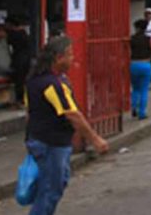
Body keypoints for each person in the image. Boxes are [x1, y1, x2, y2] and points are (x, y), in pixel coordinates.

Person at [23, 37, 109, 215]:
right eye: (69, 55)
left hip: (41, 138)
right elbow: (72, 114)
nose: (73, 59)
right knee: (50, 191)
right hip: (51, 143)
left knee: (53, 185)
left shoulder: (34, 80)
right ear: (58, 58)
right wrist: (95, 139)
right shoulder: (52, 84)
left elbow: (29, 112)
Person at [129, 19, 151, 120]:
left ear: (137, 28)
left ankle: (134, 107)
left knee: (135, 88)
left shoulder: (131, 39)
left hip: (134, 65)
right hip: (146, 64)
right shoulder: (149, 39)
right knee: (144, 90)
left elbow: (128, 52)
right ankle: (142, 112)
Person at [4, 16, 33, 107]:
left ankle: (19, 100)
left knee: (19, 80)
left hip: (19, 60)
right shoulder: (23, 32)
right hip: (26, 59)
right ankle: (22, 99)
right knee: (23, 79)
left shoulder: (13, 34)